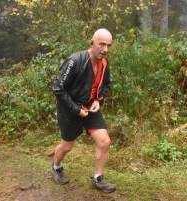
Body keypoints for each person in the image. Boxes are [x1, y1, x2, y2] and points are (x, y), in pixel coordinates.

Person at [51, 28, 115, 193]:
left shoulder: (104, 63)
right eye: (102, 44)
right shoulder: (75, 60)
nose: (105, 49)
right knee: (67, 146)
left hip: (90, 109)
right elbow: (58, 88)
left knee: (104, 141)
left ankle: (97, 179)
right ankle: (56, 167)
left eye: (108, 45)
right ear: (92, 43)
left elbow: (106, 85)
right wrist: (75, 109)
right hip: (69, 110)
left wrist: (98, 100)